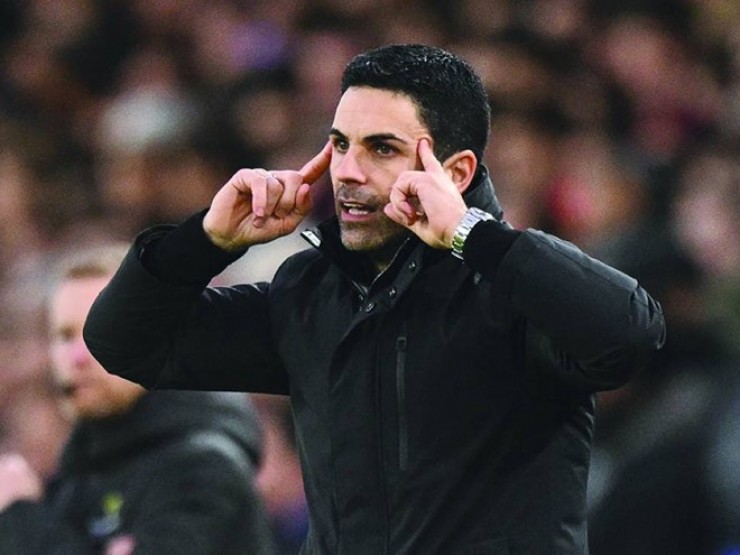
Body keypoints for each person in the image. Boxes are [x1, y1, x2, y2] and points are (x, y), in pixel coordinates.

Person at [83, 44, 666, 554]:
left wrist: (474, 236)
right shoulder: (309, 294)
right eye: (340, 144)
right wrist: (205, 242)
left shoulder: (514, 286)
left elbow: (629, 335)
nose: (347, 171)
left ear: (456, 172)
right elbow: (124, 343)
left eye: (381, 149)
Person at [0, 243, 277, 555]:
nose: (77, 357)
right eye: (64, 336)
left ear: (157, 337)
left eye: (99, 331)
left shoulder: (202, 467)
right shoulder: (76, 478)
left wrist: (21, 522)